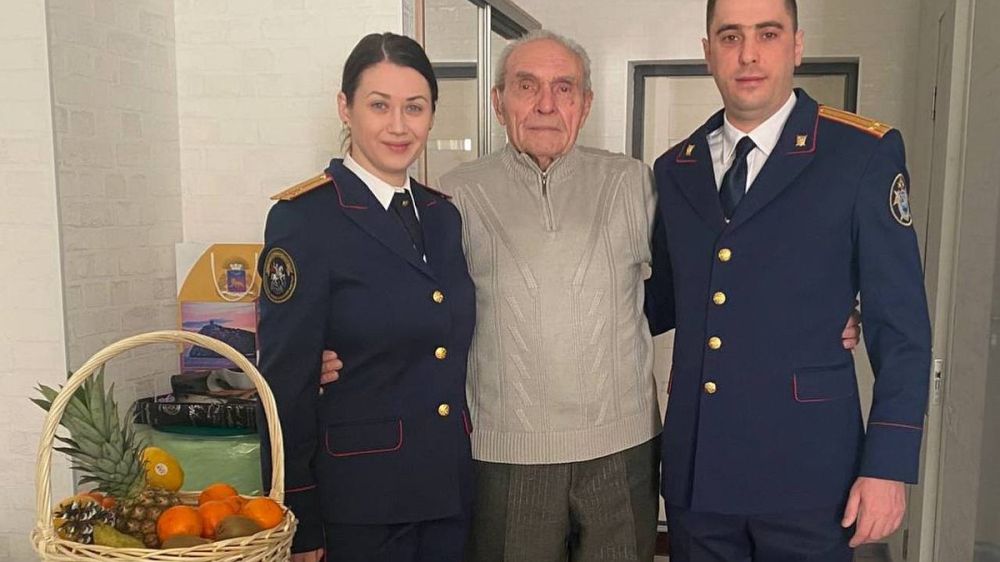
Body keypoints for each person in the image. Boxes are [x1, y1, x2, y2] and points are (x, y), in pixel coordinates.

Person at [321, 28, 862, 561]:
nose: (546, 104)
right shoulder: (451, 197)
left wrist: (812, 314)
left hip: (623, 452)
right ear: (499, 102)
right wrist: (340, 347)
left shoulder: (636, 182)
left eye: (564, 88)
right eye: (527, 86)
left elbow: (711, 275)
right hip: (505, 456)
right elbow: (415, 309)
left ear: (586, 103)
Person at [645, 0, 932, 558]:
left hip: (810, 477)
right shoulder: (676, 168)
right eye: (730, 37)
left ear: (797, 45)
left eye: (768, 34)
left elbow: (901, 327)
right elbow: (661, 301)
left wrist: (888, 465)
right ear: (708, 52)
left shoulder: (860, 153)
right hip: (699, 475)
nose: (748, 54)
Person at [256, 32, 476, 562]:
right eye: (379, 105)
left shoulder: (442, 216)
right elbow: (283, 380)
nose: (398, 125)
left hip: (445, 489)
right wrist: (297, 513)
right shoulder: (305, 218)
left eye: (414, 107)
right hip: (359, 501)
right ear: (345, 108)